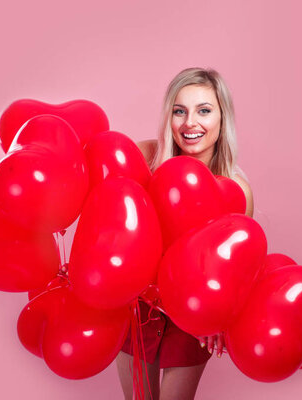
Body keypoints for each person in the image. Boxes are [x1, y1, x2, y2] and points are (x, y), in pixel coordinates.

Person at [116, 67, 254, 400]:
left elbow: (235, 270)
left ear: (222, 120)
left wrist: (216, 318)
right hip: (137, 305)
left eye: (204, 110)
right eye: (180, 111)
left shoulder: (236, 191)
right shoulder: (144, 157)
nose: (190, 122)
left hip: (191, 317)